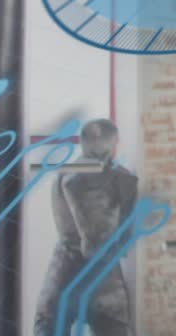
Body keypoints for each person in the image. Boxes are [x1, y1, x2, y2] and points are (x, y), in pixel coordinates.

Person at [34, 118, 139, 336]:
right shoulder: (101, 178)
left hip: (63, 268)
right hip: (98, 272)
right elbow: (97, 241)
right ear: (111, 144)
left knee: (48, 324)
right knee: (111, 327)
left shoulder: (68, 172)